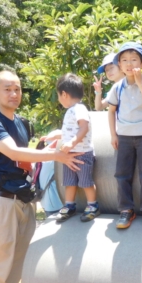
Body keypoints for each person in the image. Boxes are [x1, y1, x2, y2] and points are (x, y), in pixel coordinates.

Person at [0, 70, 83, 283]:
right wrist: (56, 156)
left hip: (23, 198)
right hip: (0, 200)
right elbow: (12, 152)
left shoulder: (20, 122)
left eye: (18, 89)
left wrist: (51, 146)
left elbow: (24, 160)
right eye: (7, 89)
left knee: (17, 259)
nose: (14, 94)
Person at [106, 42, 142, 229]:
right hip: (124, 137)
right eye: (125, 60)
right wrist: (113, 134)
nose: (129, 64)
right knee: (122, 174)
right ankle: (126, 210)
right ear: (119, 65)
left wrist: (139, 83)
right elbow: (111, 111)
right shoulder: (117, 87)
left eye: (134, 60)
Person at [41, 73, 99, 223]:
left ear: (64, 94)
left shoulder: (79, 109)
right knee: (69, 181)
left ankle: (93, 206)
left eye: (59, 95)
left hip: (82, 153)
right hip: (70, 154)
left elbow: (83, 128)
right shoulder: (71, 111)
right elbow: (71, 131)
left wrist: (72, 143)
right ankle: (69, 205)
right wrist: (57, 136)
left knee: (86, 181)